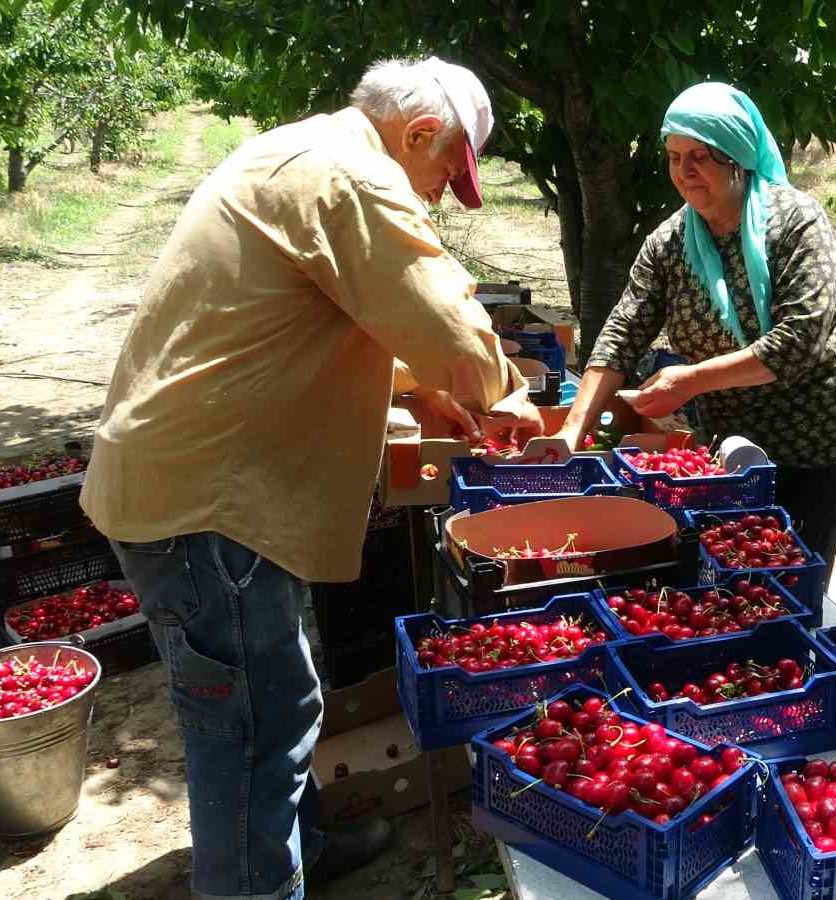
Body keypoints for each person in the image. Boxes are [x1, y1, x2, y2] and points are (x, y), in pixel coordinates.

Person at [79, 57, 543, 899]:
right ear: (418, 134)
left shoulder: (298, 154)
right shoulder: (354, 177)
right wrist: (504, 395)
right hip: (211, 509)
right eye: (444, 174)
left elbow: (303, 317)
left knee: (274, 705)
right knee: (251, 728)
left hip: (202, 493)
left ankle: (294, 851)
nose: (438, 196)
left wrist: (422, 390)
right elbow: (441, 317)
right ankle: (258, 883)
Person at [555, 82, 836, 572]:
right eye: (673, 156)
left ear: (737, 158)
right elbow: (623, 331)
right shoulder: (671, 242)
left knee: (792, 569)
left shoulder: (796, 224)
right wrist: (572, 428)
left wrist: (690, 381)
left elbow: (800, 340)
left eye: (700, 156)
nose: (684, 172)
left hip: (817, 434)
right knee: (732, 566)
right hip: (731, 438)